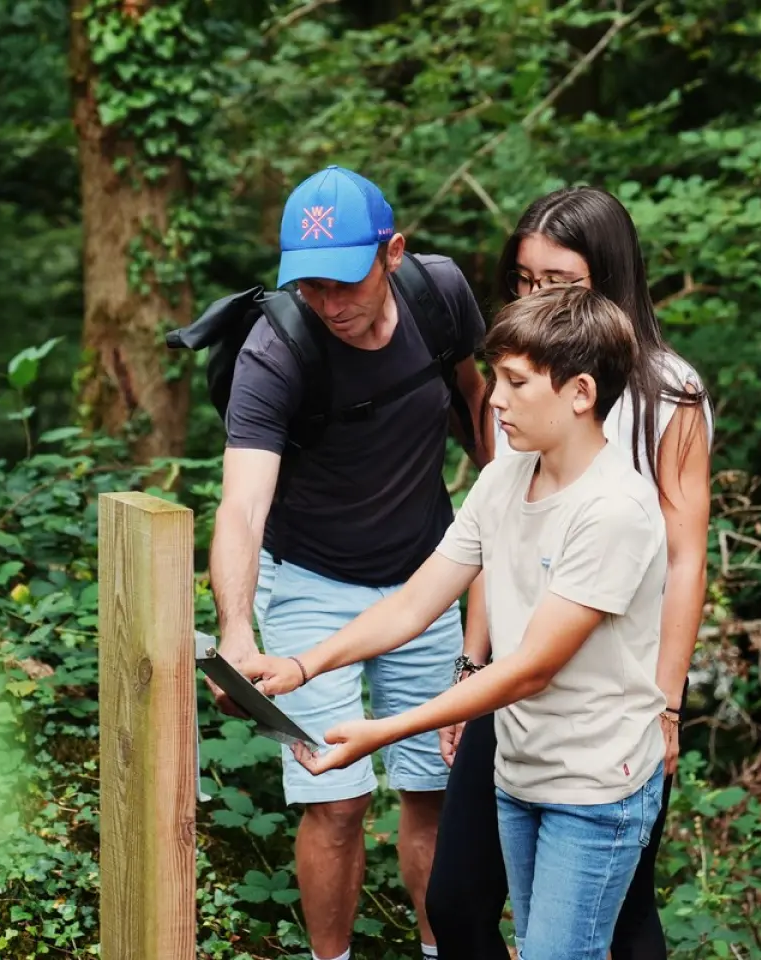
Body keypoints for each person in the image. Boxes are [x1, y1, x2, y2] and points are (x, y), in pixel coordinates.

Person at [254, 285, 672, 960]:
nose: (493, 399)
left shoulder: (614, 509)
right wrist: (303, 664)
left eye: (515, 382)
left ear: (580, 392)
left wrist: (385, 731)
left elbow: (531, 667)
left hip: (597, 789)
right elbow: (416, 601)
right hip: (521, 771)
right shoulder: (506, 476)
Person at [205, 164, 493, 960]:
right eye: (310, 287)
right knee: (334, 799)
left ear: (391, 253)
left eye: (343, 283)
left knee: (434, 790)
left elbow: (474, 398)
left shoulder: (440, 297)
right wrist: (236, 632)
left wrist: (505, 513)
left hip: (427, 573)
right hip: (310, 581)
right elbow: (241, 507)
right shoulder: (278, 347)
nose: (329, 304)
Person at [433, 185, 713, 960]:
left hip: (613, 699)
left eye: (558, 281)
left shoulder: (667, 393)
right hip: (513, 676)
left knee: (620, 917)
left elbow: (686, 558)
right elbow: (496, 533)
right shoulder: (515, 381)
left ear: (610, 276)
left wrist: (667, 703)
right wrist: (469, 664)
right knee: (455, 902)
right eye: (523, 280)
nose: (534, 296)